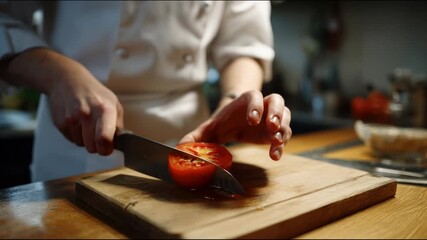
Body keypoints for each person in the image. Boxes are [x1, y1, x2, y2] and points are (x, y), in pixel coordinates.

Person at [0, 1, 292, 182]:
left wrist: (236, 100)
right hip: (76, 142)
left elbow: (243, 42)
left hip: (195, 131)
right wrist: (59, 75)